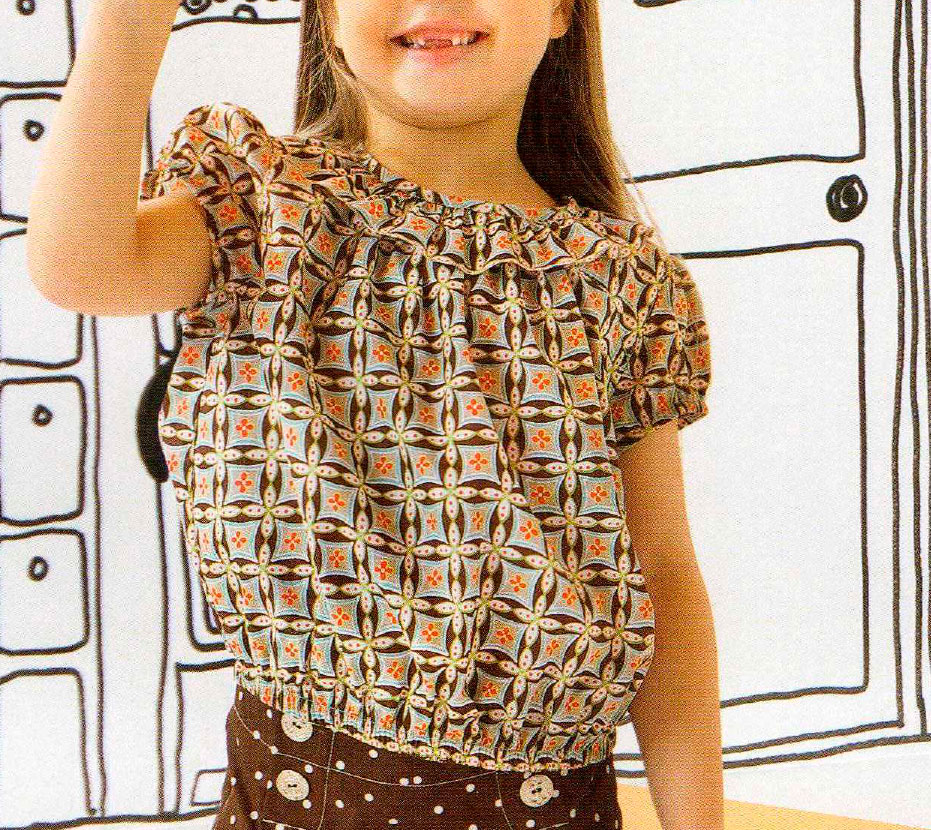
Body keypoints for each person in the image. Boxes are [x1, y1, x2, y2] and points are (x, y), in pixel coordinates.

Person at [27, 1, 723, 828]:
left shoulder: (621, 277)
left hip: (551, 806)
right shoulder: (264, 209)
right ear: (325, 17)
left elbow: (663, 574)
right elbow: (80, 266)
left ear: (561, 10)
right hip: (294, 797)